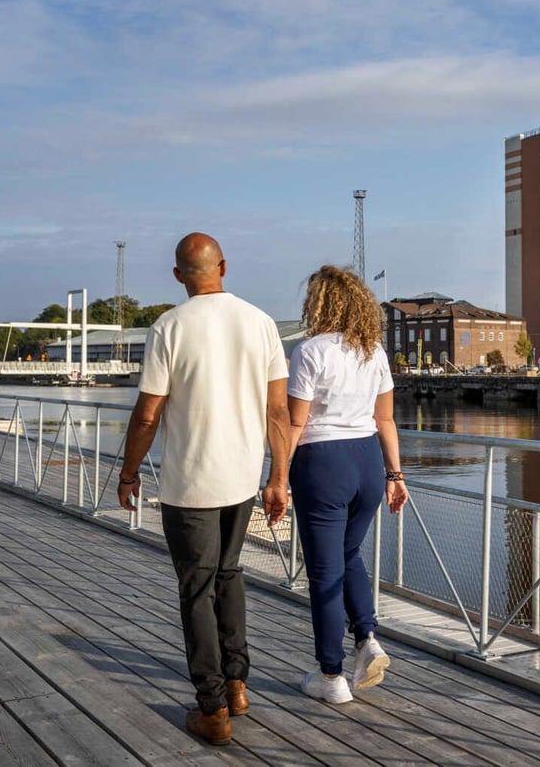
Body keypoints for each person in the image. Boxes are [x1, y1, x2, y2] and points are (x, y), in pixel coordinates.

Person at [117, 233, 289, 746]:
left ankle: (212, 709)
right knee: (229, 575)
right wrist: (278, 477)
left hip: (190, 483)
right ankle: (236, 683)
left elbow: (148, 413)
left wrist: (128, 474)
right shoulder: (261, 324)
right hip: (242, 480)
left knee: (196, 588)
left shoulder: (168, 327)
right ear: (224, 267)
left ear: (178, 276)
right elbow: (277, 411)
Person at [287, 264, 409, 703]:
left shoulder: (310, 351)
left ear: (318, 303)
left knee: (324, 574)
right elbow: (385, 419)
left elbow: (295, 423)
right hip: (367, 462)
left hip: (323, 464)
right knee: (348, 554)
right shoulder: (373, 351)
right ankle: (367, 638)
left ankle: (331, 676)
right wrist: (395, 476)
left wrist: (276, 477)